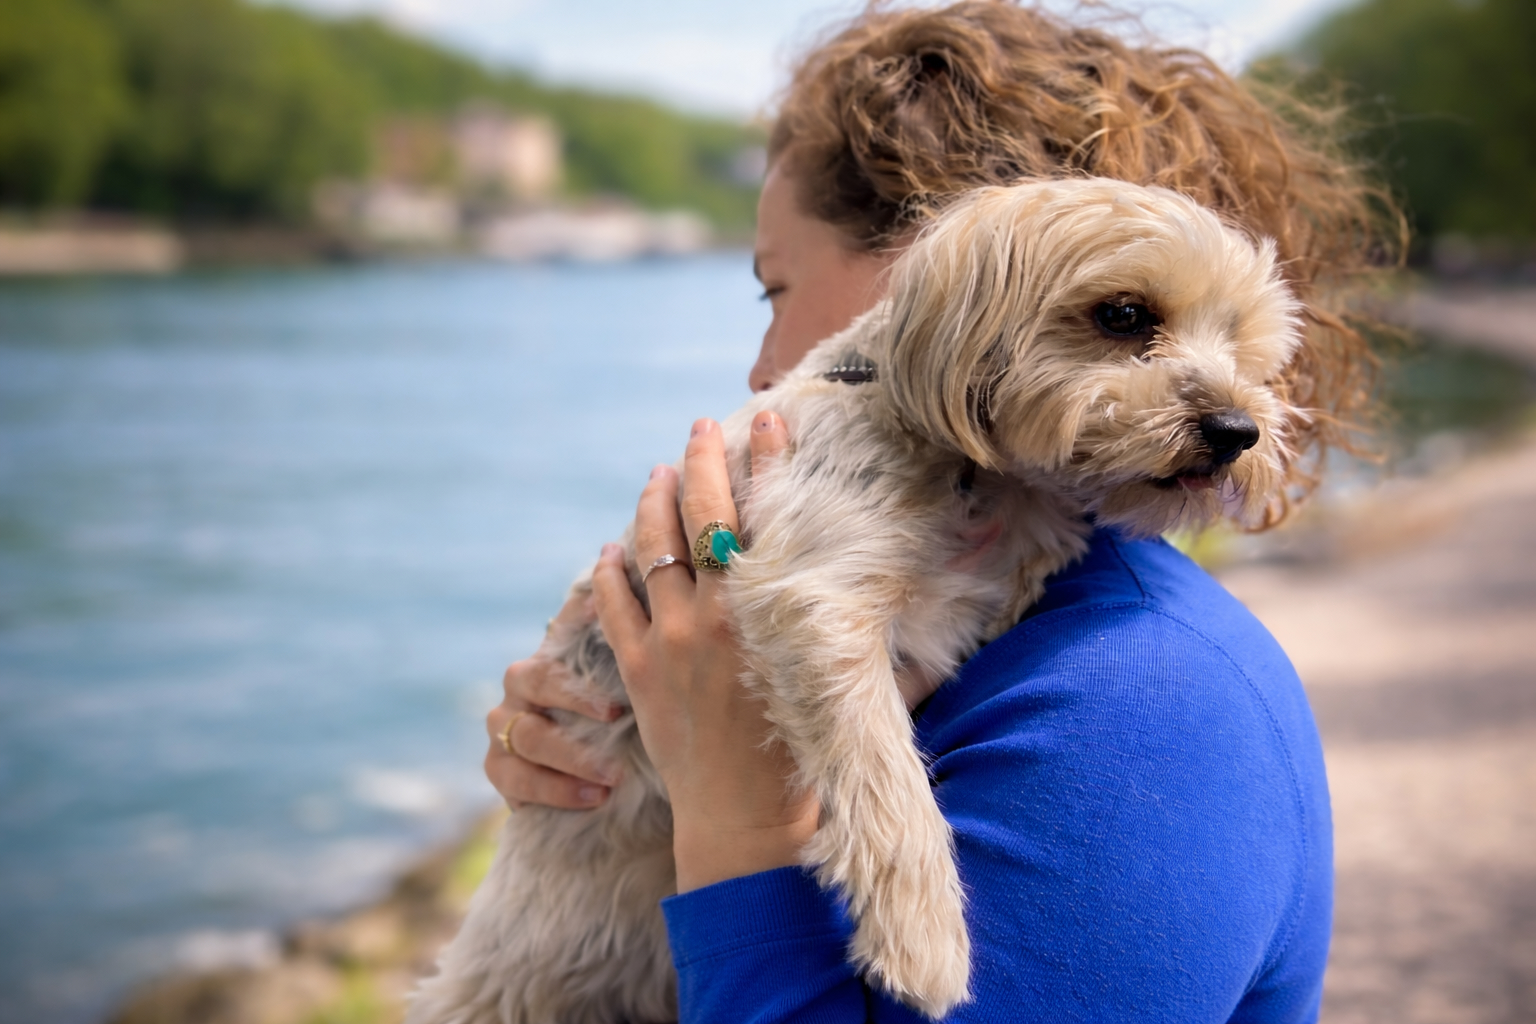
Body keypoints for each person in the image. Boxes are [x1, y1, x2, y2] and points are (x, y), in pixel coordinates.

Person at [484, 3, 1395, 1021]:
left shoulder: (1147, 701)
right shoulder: (1009, 609)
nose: (761, 365)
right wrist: (616, 748)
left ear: (946, 285)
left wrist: (733, 817)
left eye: (775, 291)